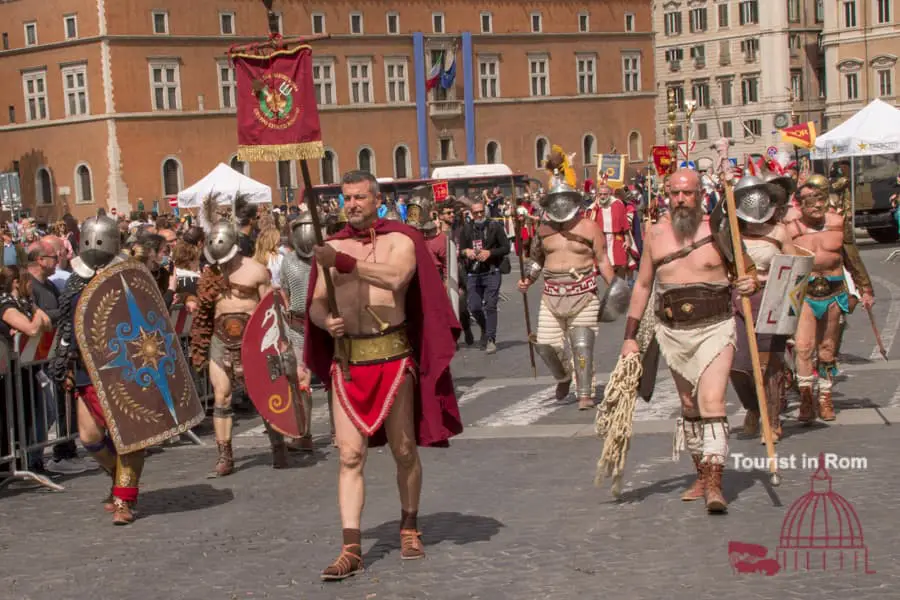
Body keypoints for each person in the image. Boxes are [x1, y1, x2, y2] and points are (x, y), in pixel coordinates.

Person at [304, 170, 462, 581]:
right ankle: (351, 548)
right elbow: (317, 304)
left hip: (392, 356)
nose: (352, 205)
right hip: (349, 361)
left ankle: (409, 526)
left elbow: (396, 278)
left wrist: (343, 262)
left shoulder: (401, 239)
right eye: (346, 198)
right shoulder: (332, 245)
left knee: (404, 450)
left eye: (359, 197)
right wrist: (325, 322)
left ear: (377, 199)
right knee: (349, 455)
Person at [620, 169, 759, 514]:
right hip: (673, 332)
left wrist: (748, 284)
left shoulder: (720, 231)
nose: (681, 200)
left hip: (716, 327)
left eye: (688, 193)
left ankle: (715, 482)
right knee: (688, 405)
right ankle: (700, 472)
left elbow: (749, 272)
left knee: (712, 401)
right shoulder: (655, 234)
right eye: (675, 194)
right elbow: (642, 286)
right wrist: (630, 338)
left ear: (701, 195)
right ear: (667, 195)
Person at [49, 212, 149, 524]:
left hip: (122, 366)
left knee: (127, 436)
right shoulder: (75, 279)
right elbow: (67, 324)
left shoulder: (128, 274)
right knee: (90, 436)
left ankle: (124, 499)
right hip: (85, 365)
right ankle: (119, 477)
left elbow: (146, 322)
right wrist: (63, 362)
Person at [190, 197, 299, 477]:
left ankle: (278, 446)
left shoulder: (256, 270)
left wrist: (281, 343)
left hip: (254, 341)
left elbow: (269, 309)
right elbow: (204, 308)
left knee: (264, 394)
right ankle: (224, 456)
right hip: (220, 340)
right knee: (221, 396)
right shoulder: (210, 273)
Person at [518, 179, 626, 409]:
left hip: (583, 292)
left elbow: (603, 259)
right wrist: (528, 280)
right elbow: (536, 259)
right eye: (555, 201)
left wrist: (613, 284)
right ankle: (563, 377)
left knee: (582, 344)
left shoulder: (589, 227)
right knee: (546, 344)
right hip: (551, 294)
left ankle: (585, 393)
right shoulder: (544, 230)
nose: (560, 205)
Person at [784, 174, 874, 423]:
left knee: (827, 350)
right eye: (809, 200)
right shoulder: (790, 229)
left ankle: (825, 397)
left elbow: (851, 257)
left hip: (834, 292)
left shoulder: (837, 223)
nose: (815, 204)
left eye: (819, 198)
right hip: (803, 293)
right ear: (799, 204)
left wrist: (865, 288)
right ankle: (805, 399)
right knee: (803, 347)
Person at [727, 176, 797, 444]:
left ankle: (772, 421)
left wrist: (764, 282)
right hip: (738, 300)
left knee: (771, 364)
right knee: (737, 365)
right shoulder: (729, 233)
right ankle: (753, 407)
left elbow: (793, 267)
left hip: (771, 299)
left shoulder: (779, 232)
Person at [280, 207, 320, 451]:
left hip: (322, 324)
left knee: (331, 380)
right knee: (301, 380)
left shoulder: (325, 259)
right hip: (297, 325)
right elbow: (284, 291)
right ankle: (304, 434)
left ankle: (339, 431)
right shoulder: (288, 261)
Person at [458, 200, 511, 354]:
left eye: (482, 211)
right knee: (474, 307)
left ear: (485, 211)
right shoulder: (466, 229)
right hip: (473, 273)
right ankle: (485, 328)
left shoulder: (495, 226)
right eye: (476, 213)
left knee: (490, 305)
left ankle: (490, 339)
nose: (479, 214)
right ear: (471, 214)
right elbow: (460, 250)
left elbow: (506, 247)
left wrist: (490, 253)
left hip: (492, 271)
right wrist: (466, 252)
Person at [585, 181, 638, 279]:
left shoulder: (618, 204)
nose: (602, 196)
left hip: (616, 238)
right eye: (600, 194)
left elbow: (625, 224)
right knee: (605, 266)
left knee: (620, 264)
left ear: (610, 194)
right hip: (602, 240)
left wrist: (627, 240)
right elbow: (589, 227)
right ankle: (611, 290)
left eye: (605, 194)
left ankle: (621, 287)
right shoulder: (593, 208)